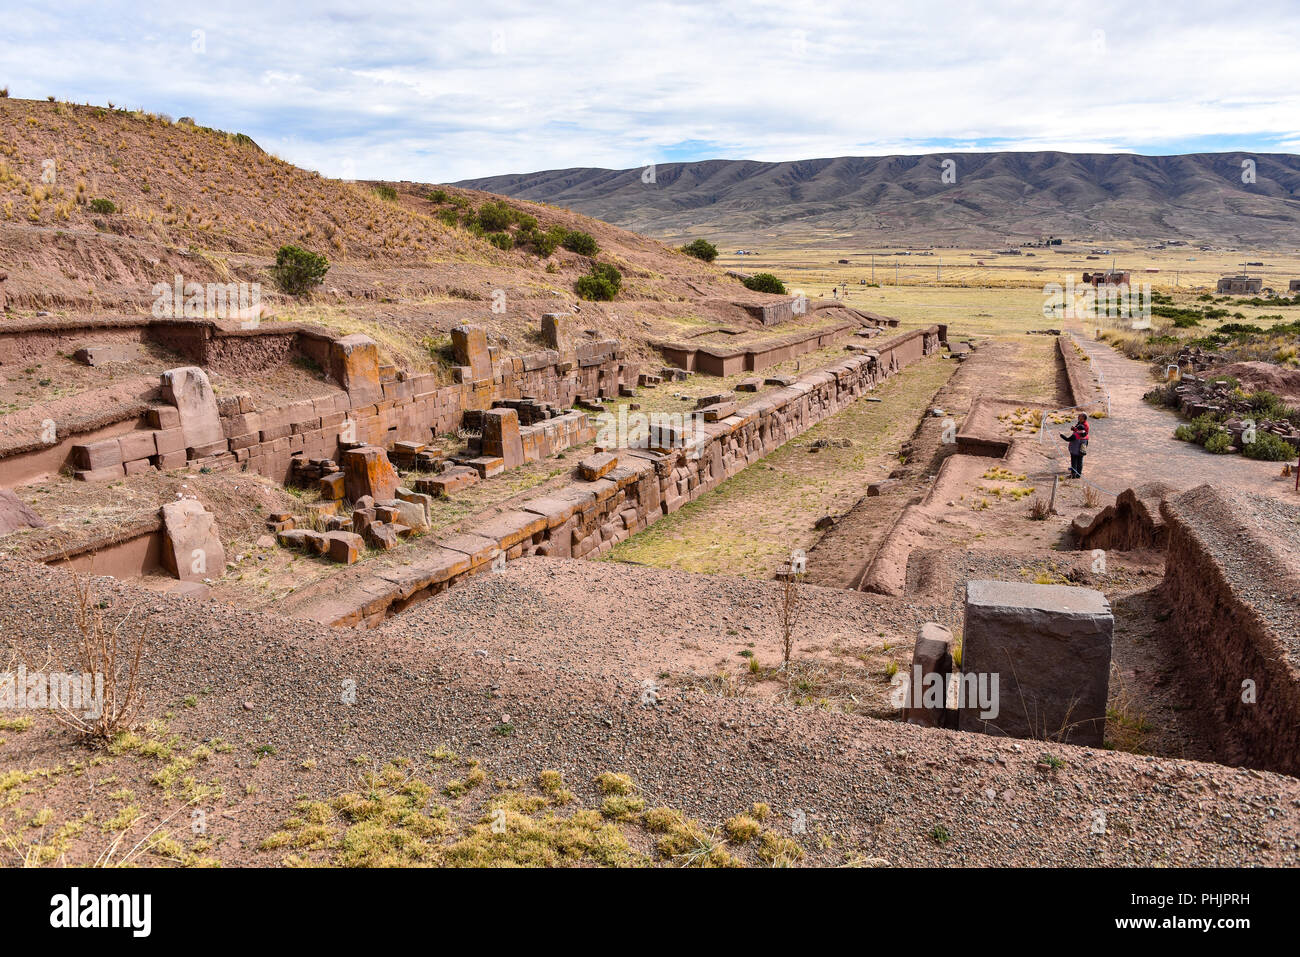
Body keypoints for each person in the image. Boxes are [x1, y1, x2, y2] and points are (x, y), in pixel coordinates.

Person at [1060, 413, 1089, 478]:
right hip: (1081, 450)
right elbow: (1086, 442)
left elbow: (1067, 439)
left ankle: (1073, 475)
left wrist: (1061, 435)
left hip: (1074, 450)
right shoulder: (1086, 436)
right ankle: (1078, 475)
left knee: (1074, 462)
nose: (1078, 417)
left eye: (1080, 416)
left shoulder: (1075, 435)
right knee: (1080, 461)